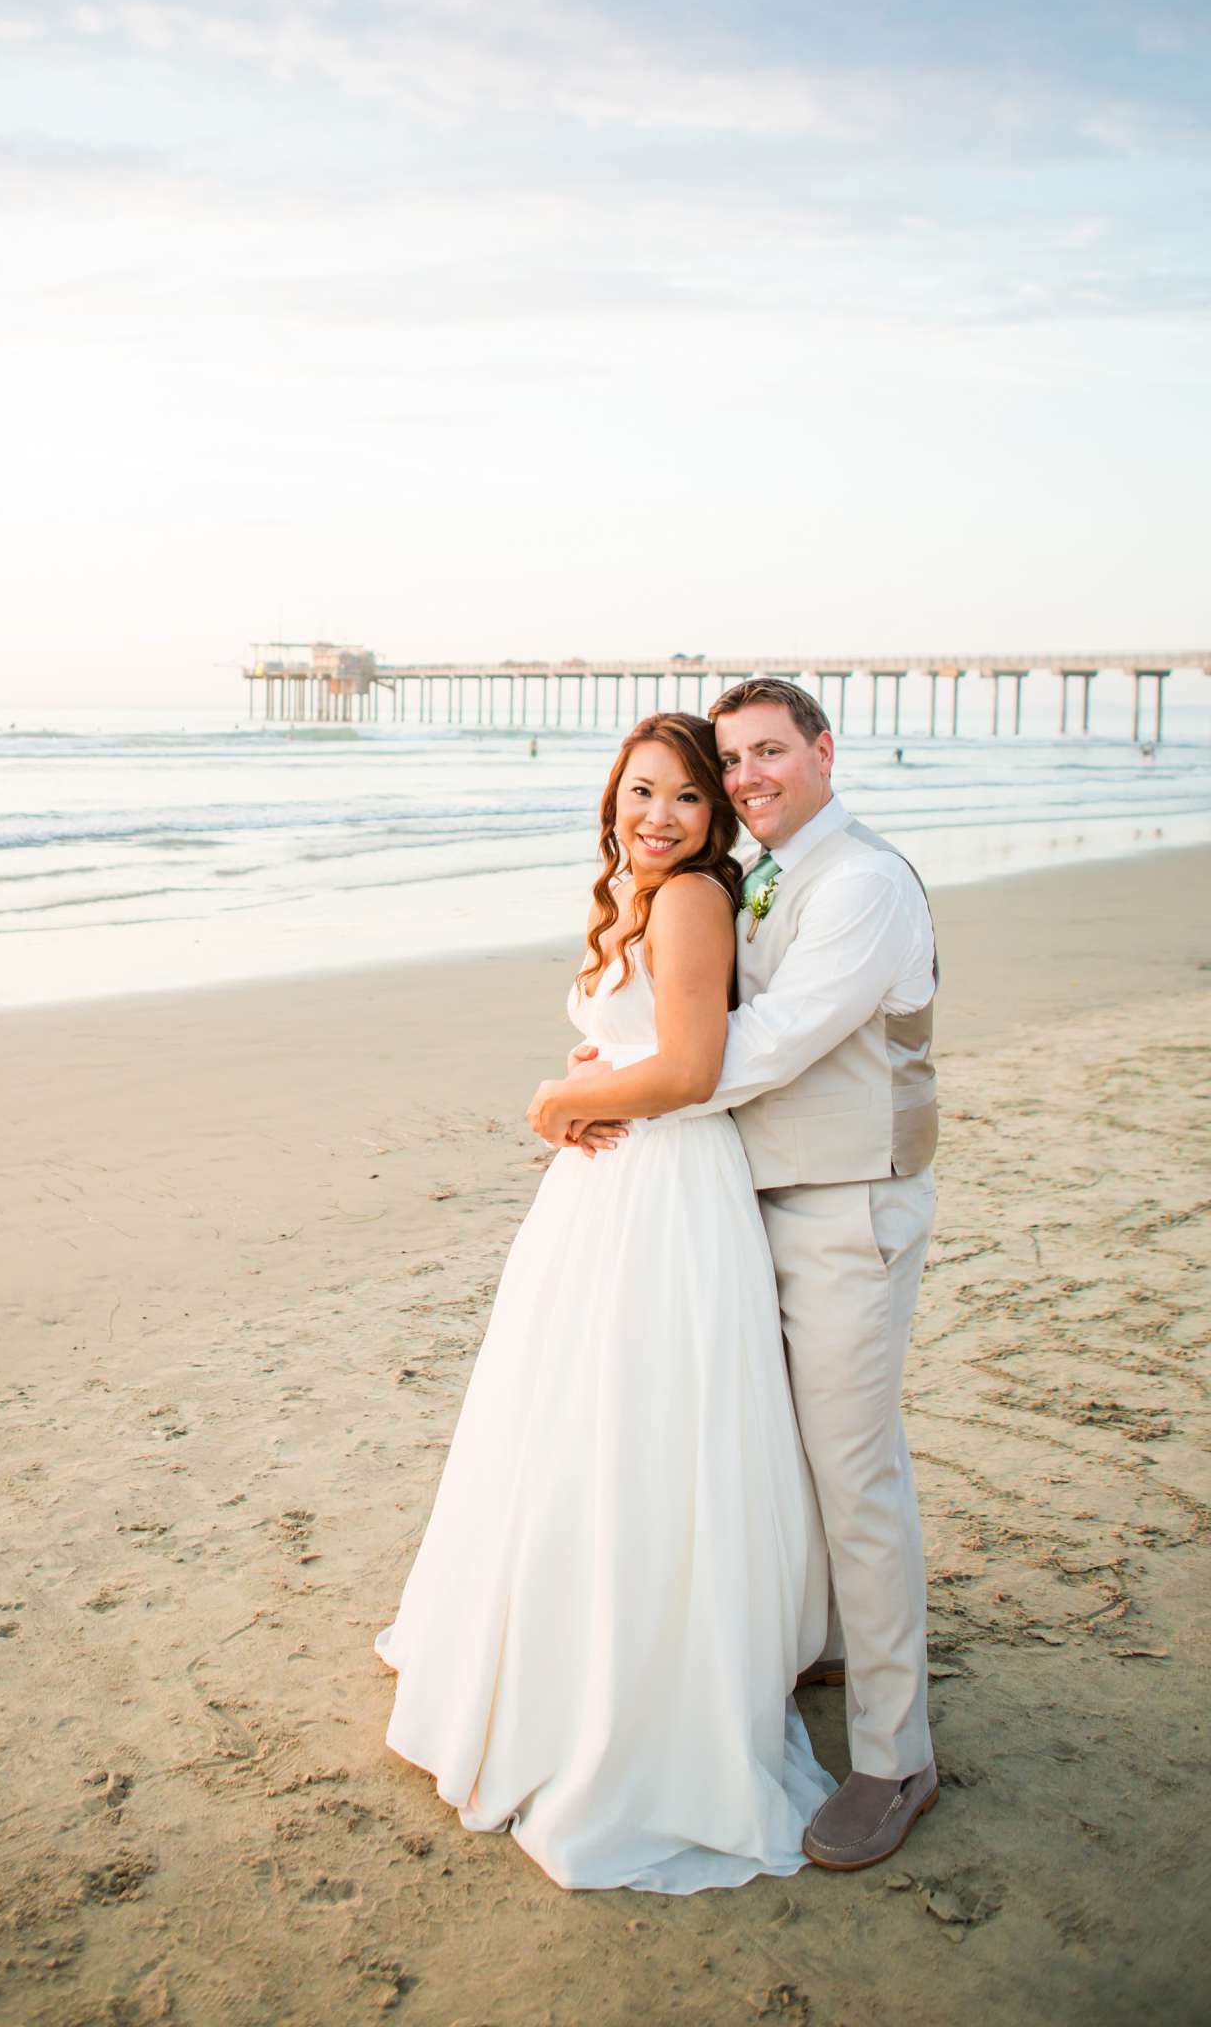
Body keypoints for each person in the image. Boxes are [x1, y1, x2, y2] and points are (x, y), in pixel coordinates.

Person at [374, 714, 835, 1894]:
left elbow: (687, 1068)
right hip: (612, 1195)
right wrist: (593, 1089)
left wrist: (554, 1101)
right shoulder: (635, 889)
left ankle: (629, 1691)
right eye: (641, 792)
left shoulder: (686, 900)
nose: (659, 817)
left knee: (637, 1427)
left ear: (715, 815)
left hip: (664, 1195)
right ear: (612, 797)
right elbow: (645, 1050)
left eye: (687, 798)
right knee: (573, 1420)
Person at [559, 677, 940, 1872]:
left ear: (826, 751)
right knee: (770, 1440)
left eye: (769, 751)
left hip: (843, 1203)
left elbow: (758, 1046)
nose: (747, 777)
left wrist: (620, 1084)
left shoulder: (865, 881)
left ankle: (894, 1755)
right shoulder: (763, 870)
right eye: (732, 759)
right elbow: (715, 1010)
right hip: (745, 1195)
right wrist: (630, 1050)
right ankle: (819, 1639)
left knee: (852, 1464)